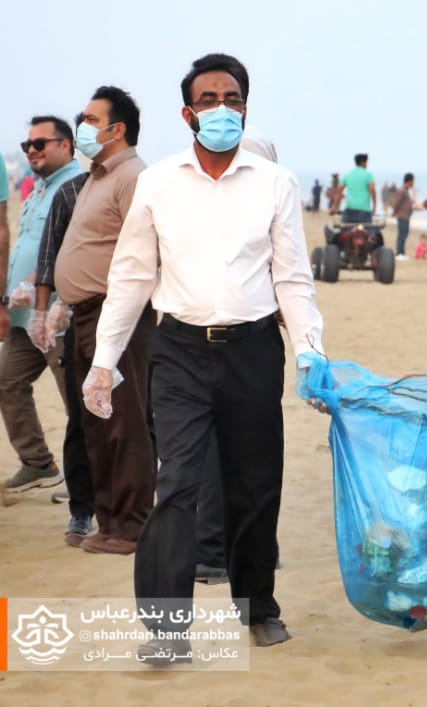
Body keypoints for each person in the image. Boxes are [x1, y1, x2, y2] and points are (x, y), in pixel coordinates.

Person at [82, 53, 325, 662]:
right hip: (179, 352)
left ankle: (258, 608)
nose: (222, 109)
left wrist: (310, 352)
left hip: (253, 351)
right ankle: (167, 630)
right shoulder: (159, 182)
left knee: (254, 484)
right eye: (209, 100)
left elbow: (292, 276)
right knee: (178, 483)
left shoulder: (275, 182)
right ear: (187, 113)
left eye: (232, 99)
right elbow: (132, 275)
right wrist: (104, 360)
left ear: (246, 107)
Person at [33, 86, 155, 556]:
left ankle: (132, 526)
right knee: (95, 424)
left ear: (116, 129)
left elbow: (144, 253)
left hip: (116, 315)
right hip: (84, 316)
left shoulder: (133, 177)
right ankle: (109, 521)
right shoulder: (97, 178)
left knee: (124, 421)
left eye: (89, 119)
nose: (81, 126)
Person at [1, 116, 84, 496]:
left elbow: (68, 248)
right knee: (7, 381)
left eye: (40, 144)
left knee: (76, 400)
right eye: (27, 145)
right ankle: (38, 463)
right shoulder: (39, 188)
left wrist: (33, 285)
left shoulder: (76, 186)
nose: (31, 151)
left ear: (65, 145)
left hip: (56, 315)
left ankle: (88, 477)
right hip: (24, 315)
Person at [332, 153, 375, 222]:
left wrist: (334, 207)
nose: (367, 164)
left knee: (345, 228)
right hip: (364, 210)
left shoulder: (348, 175)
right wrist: (374, 207)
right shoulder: (368, 175)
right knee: (367, 228)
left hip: (350, 210)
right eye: (366, 162)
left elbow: (338, 191)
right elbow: (372, 190)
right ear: (363, 163)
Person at [392, 173, 415, 258]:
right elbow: (396, 203)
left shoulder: (406, 190)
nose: (413, 183)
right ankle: (399, 253)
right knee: (402, 234)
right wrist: (394, 212)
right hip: (402, 216)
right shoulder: (402, 190)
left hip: (406, 216)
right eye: (412, 181)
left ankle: (401, 252)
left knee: (404, 234)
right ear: (409, 181)